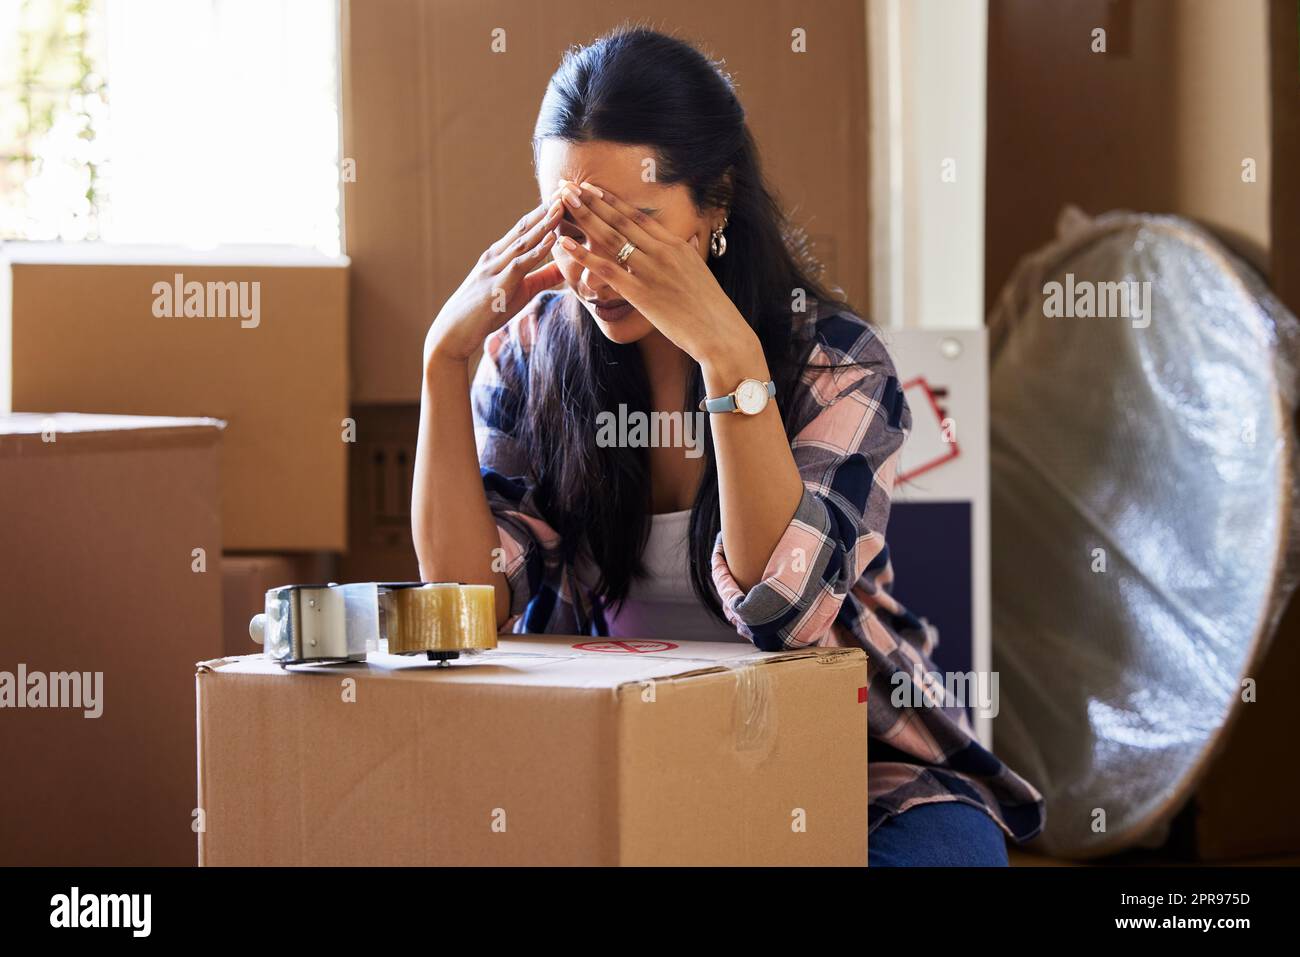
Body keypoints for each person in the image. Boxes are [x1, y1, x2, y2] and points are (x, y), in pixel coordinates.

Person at [412, 26, 1044, 866]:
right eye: (572, 225)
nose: (595, 272)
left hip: (856, 763)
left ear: (714, 205)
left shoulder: (836, 363)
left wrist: (731, 359)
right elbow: (465, 600)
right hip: (617, 753)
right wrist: (441, 360)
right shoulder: (530, 354)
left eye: (630, 225)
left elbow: (785, 613)